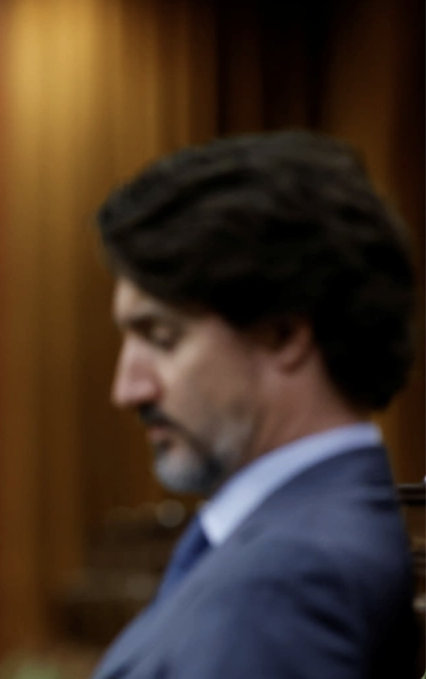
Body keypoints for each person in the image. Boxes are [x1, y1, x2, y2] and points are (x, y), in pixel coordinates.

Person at [92, 131, 418, 678]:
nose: (128, 390)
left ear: (283, 335)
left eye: (162, 337)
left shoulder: (288, 579)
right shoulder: (291, 542)